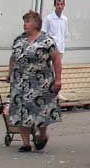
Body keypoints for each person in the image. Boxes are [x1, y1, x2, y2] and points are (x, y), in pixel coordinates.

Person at [8, 10, 62, 153]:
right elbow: (13, 58)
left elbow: (56, 59)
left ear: (36, 24)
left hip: (41, 83)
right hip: (19, 82)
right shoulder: (19, 40)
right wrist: (9, 74)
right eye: (24, 21)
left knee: (41, 111)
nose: (25, 24)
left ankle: (42, 136)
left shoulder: (46, 40)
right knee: (20, 111)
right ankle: (26, 144)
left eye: (28, 21)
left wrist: (58, 79)